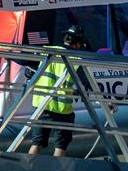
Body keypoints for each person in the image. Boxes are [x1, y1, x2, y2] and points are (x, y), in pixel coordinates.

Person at [28, 25, 89, 157]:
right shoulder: (76, 60)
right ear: (78, 44)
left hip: (43, 107)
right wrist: (107, 102)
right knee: (60, 146)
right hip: (63, 111)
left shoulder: (47, 51)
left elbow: (24, 59)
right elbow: (87, 84)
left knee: (36, 143)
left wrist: (9, 55)